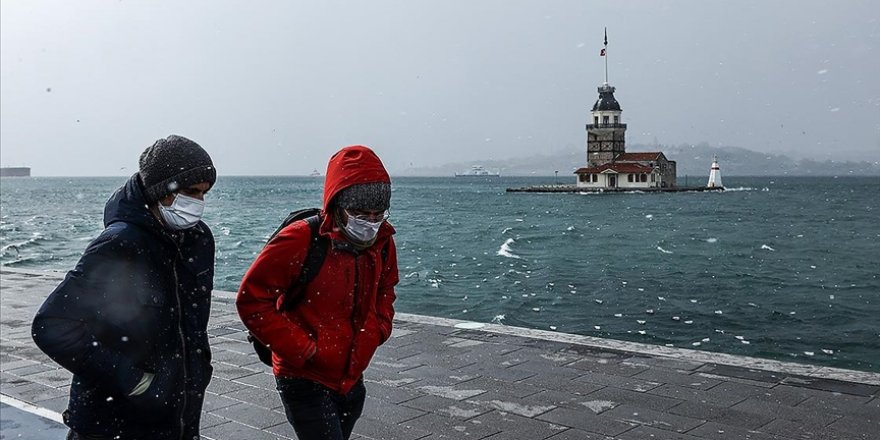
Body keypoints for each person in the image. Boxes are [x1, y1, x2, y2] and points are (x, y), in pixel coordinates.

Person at [32, 135, 217, 440]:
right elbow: (51, 325)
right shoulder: (121, 243)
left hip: (179, 417)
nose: (198, 203)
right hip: (113, 424)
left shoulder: (198, 240)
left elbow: (194, 319)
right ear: (161, 190)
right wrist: (135, 380)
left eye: (203, 193)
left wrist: (197, 371)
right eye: (190, 192)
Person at [236, 145, 399, 440]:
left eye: (378, 215)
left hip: (351, 378)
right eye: (360, 213)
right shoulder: (300, 239)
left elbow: (386, 287)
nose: (370, 223)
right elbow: (252, 300)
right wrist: (304, 349)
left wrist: (380, 327)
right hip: (303, 377)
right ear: (337, 205)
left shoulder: (383, 241)